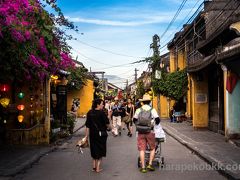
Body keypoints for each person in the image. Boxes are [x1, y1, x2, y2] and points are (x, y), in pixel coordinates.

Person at [133, 94, 160, 173]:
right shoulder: (152, 110)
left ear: (143, 102)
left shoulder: (138, 110)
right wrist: (152, 124)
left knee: (142, 149)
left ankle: (143, 167)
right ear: (149, 102)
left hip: (140, 131)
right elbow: (157, 120)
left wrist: (139, 125)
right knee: (152, 148)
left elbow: (134, 120)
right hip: (150, 131)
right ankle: (150, 164)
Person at [85, 99, 111, 173]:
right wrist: (111, 128)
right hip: (101, 135)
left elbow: (87, 125)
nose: (103, 105)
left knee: (94, 149)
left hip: (92, 135)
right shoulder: (101, 113)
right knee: (100, 150)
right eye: (102, 104)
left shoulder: (89, 112)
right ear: (98, 104)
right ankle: (98, 168)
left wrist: (86, 136)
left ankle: (94, 167)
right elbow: (107, 123)